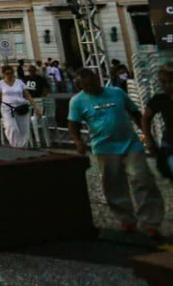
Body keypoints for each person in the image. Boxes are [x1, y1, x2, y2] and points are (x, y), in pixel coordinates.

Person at [69, 67, 163, 236]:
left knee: (142, 178)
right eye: (85, 86)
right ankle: (126, 219)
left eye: (92, 84)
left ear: (98, 80)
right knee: (114, 184)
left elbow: (135, 113)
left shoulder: (117, 93)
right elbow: (73, 125)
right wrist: (78, 142)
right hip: (104, 147)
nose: (90, 88)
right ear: (80, 87)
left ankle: (150, 221)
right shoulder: (77, 102)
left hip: (130, 144)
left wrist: (147, 137)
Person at [0, 65, 41, 148]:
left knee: (24, 129)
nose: (10, 75)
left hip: (21, 106)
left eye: (11, 73)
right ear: (3, 74)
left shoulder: (19, 82)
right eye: (7, 73)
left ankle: (23, 146)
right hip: (7, 107)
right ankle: (16, 145)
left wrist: (36, 108)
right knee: (11, 128)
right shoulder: (0, 84)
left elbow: (28, 96)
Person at [142, 67, 173, 181]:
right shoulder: (160, 99)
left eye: (170, 81)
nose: (167, 85)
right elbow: (146, 118)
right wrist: (148, 138)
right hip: (170, 144)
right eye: (163, 82)